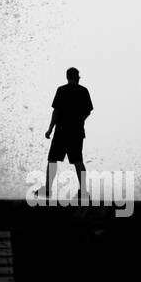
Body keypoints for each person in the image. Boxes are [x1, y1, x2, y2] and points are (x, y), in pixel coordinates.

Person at [43, 67, 93, 203]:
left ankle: (47, 189)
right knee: (78, 161)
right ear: (76, 76)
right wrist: (79, 120)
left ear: (67, 77)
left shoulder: (61, 90)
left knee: (52, 159)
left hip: (61, 131)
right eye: (79, 76)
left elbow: (56, 112)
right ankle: (83, 191)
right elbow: (88, 111)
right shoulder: (83, 91)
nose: (80, 78)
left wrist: (50, 129)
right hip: (76, 132)